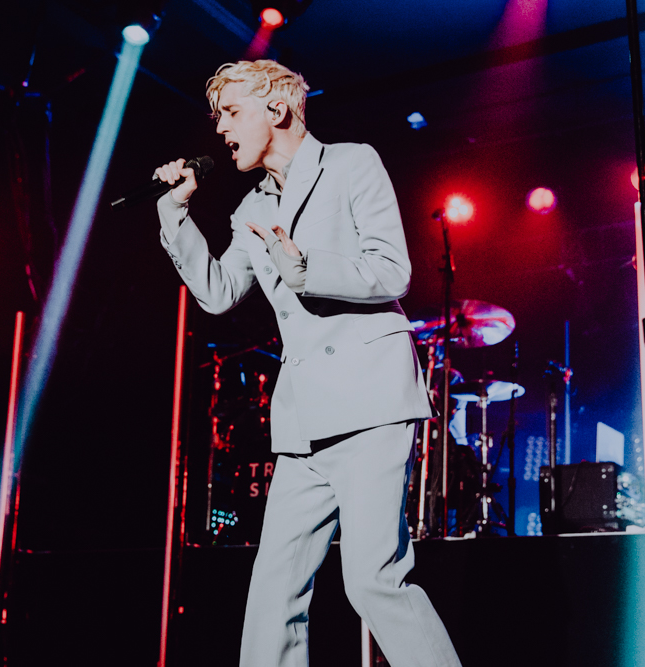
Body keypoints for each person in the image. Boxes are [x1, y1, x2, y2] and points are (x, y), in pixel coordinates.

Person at [153, 60, 461, 667]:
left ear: (277, 109)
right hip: (302, 422)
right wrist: (176, 216)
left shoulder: (352, 163)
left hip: (371, 404)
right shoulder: (248, 209)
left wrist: (308, 268)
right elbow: (217, 292)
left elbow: (392, 270)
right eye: (217, 117)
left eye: (231, 112)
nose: (220, 128)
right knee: (274, 590)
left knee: (373, 579)